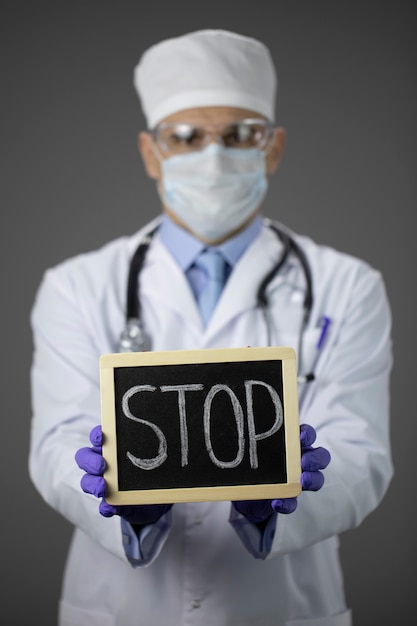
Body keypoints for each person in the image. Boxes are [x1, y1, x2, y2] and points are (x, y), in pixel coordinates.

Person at [29, 29, 393, 626]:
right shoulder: (77, 284)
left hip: (281, 606)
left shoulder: (348, 284)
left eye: (240, 134)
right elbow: (58, 442)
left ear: (273, 148)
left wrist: (286, 496)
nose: (214, 157)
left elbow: (361, 451)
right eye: (187, 137)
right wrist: (118, 497)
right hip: (122, 608)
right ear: (151, 153)